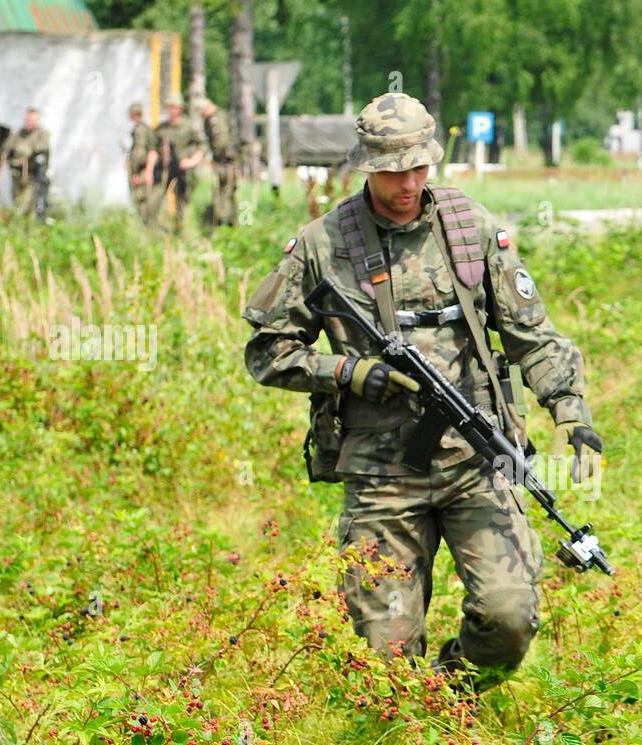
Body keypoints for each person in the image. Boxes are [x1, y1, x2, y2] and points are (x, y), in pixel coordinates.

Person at [243, 91, 601, 686]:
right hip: (381, 476)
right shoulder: (323, 246)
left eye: (417, 167)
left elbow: (531, 334)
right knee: (387, 662)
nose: (406, 183)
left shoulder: (471, 230)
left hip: (476, 461)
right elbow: (266, 351)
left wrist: (571, 411)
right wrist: (350, 373)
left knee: (508, 617)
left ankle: (455, 691)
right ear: (366, 166)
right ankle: (414, 716)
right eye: (391, 171)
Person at [147, 92, 205, 234]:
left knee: (183, 202)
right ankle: (153, 230)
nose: (171, 109)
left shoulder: (188, 126)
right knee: (154, 201)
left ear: (180, 108)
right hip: (165, 170)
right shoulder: (162, 128)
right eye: (169, 106)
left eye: (174, 106)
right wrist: (149, 171)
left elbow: (202, 146)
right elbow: (153, 149)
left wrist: (192, 162)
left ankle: (181, 231)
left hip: (183, 170)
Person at [3, 107, 51, 218]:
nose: (28, 122)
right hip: (17, 173)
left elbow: (40, 147)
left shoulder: (42, 134)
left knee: (26, 205)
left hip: (32, 176)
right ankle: (18, 227)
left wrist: (23, 150)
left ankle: (24, 226)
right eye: (27, 120)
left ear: (36, 120)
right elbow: (7, 147)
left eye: (31, 120)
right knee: (16, 200)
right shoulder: (19, 134)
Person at [199, 96, 237, 227]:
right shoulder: (211, 119)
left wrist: (217, 158)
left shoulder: (218, 118)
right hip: (222, 161)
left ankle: (227, 222)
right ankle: (224, 222)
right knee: (223, 192)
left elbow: (222, 141)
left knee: (226, 192)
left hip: (227, 161)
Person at [126, 102, 155, 224]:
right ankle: (143, 225)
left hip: (141, 171)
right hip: (138, 171)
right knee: (138, 201)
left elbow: (146, 152)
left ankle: (146, 226)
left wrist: (143, 172)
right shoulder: (139, 129)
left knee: (142, 201)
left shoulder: (141, 130)